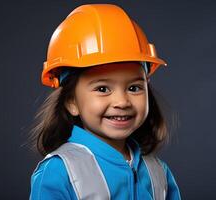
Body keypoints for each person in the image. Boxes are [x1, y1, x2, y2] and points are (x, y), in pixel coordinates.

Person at [29, 4, 181, 200]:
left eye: (134, 88)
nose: (122, 101)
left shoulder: (158, 172)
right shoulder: (59, 172)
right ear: (71, 101)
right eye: (102, 89)